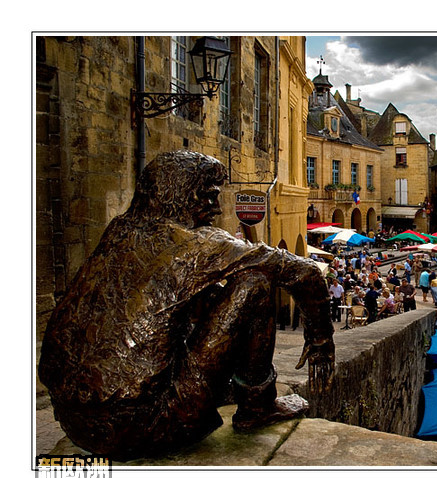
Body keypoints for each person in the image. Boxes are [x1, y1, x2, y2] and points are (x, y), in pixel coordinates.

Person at [38, 151, 334, 459]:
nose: (217, 209)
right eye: (209, 198)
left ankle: (233, 388)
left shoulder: (119, 231)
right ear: (183, 197)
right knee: (254, 285)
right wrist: (322, 342)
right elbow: (306, 272)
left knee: (202, 296)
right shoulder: (195, 244)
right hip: (143, 426)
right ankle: (257, 406)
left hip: (76, 421)